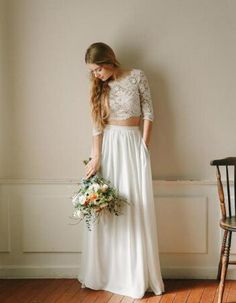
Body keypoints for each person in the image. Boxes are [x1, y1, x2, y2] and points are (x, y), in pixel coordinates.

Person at [78, 42, 164, 299]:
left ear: (107, 61)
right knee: (109, 207)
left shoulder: (137, 76)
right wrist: (96, 158)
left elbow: (149, 112)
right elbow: (97, 126)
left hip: (132, 144)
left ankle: (133, 274)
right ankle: (108, 274)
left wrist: (143, 147)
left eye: (97, 69)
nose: (96, 75)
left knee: (135, 204)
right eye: (92, 71)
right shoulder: (99, 87)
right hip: (110, 147)